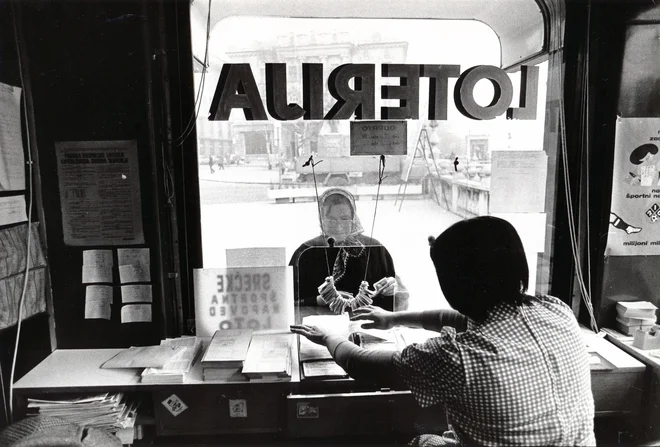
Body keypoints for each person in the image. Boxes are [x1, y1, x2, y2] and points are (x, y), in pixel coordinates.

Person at [291, 216, 595, 446]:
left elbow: (361, 364)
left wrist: (329, 337)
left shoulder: (456, 356)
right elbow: (465, 320)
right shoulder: (556, 310)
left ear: (456, 286)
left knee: (424, 441)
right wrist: (394, 319)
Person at [289, 187, 406, 312]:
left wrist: (394, 288)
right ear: (321, 220)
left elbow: (401, 296)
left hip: (368, 325)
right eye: (331, 220)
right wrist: (317, 300)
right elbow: (286, 300)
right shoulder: (306, 252)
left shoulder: (374, 249)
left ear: (353, 218)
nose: (338, 226)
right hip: (318, 326)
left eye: (344, 218)